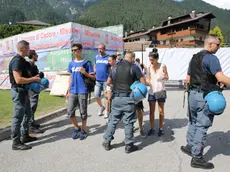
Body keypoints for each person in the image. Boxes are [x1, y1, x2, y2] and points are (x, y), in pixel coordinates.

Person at [180, 34, 230, 169]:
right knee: (202, 126)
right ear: (210, 44)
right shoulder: (212, 58)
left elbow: (188, 79)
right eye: (217, 45)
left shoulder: (194, 58)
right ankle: (197, 158)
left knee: (193, 121)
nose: (219, 47)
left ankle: (190, 146)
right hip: (204, 96)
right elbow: (220, 77)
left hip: (192, 94)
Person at [102, 51, 146, 153]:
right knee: (128, 122)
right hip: (128, 99)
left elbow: (108, 82)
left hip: (116, 98)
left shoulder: (115, 67)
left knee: (113, 120)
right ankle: (129, 145)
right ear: (133, 59)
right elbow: (143, 82)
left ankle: (107, 142)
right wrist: (134, 87)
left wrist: (116, 87)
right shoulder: (134, 67)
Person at [9, 40, 41, 150]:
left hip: (24, 92)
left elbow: (27, 75)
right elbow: (18, 79)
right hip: (18, 92)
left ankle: (25, 136)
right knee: (18, 117)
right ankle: (16, 142)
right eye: (28, 48)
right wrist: (33, 79)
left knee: (27, 113)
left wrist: (36, 77)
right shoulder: (16, 61)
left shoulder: (23, 61)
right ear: (23, 49)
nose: (29, 50)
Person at [66, 43, 95, 140]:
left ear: (80, 50)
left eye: (76, 50)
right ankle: (76, 128)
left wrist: (85, 73)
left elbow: (93, 77)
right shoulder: (71, 63)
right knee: (70, 111)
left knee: (83, 112)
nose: (74, 52)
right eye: (73, 50)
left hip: (83, 90)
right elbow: (70, 76)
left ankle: (83, 130)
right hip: (73, 91)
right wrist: (68, 89)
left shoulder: (87, 63)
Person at [147, 49, 169, 137]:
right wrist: (147, 82)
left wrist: (164, 77)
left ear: (157, 59)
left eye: (152, 60)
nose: (151, 61)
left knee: (161, 111)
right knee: (151, 112)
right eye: (150, 60)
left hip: (160, 91)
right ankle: (152, 128)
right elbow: (149, 78)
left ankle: (160, 128)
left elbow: (167, 76)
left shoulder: (163, 66)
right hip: (152, 91)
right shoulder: (149, 67)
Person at [27, 50, 43, 133]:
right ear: (33, 55)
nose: (37, 56)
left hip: (34, 88)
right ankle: (30, 126)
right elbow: (30, 77)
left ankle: (32, 122)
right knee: (32, 107)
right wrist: (38, 76)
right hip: (32, 88)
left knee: (33, 106)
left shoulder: (33, 65)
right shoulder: (30, 64)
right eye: (36, 54)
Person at [94, 43, 110, 117]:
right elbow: (95, 66)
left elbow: (111, 68)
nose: (100, 50)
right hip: (98, 80)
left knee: (107, 96)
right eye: (98, 49)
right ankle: (101, 107)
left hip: (106, 81)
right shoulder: (96, 57)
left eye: (101, 48)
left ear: (104, 49)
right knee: (96, 95)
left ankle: (107, 111)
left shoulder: (108, 57)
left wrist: (110, 79)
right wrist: (94, 71)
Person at [133, 57, 147, 138]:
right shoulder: (123, 65)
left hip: (136, 91)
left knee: (139, 110)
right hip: (127, 92)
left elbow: (142, 77)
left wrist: (142, 89)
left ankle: (141, 128)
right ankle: (130, 127)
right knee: (129, 111)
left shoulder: (136, 66)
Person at [104, 54, 117, 119]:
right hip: (109, 86)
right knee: (108, 99)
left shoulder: (118, 68)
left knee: (114, 100)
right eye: (108, 61)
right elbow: (107, 79)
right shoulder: (108, 68)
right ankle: (107, 112)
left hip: (116, 86)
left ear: (114, 60)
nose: (108, 62)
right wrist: (106, 88)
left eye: (110, 61)